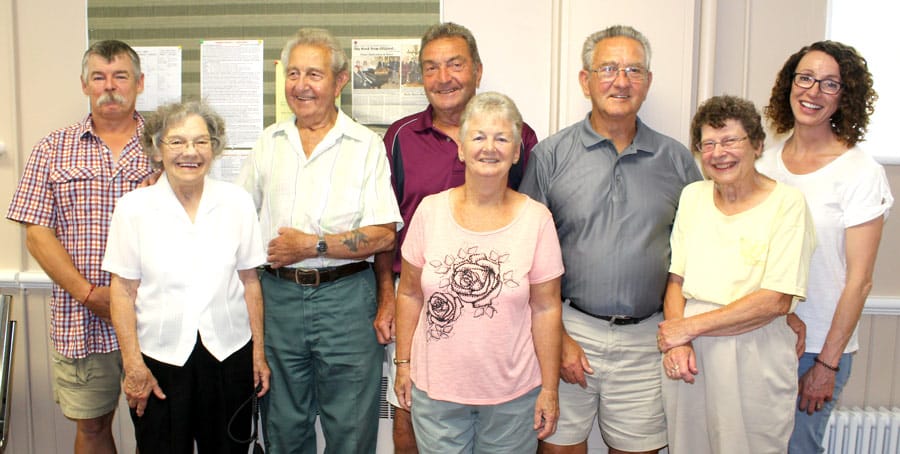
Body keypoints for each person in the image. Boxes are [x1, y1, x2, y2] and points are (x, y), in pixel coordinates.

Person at [519, 25, 702, 454]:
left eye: (634, 70)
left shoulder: (677, 160)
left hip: (648, 338)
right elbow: (525, 257)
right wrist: (558, 338)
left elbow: (699, 252)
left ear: (648, 82)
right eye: (608, 69)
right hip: (569, 329)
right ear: (585, 81)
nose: (621, 81)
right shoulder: (550, 156)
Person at [374, 21, 539, 453]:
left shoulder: (516, 136)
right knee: (408, 409)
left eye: (455, 64)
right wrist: (388, 296)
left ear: (478, 71)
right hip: (417, 293)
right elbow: (387, 226)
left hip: (497, 302)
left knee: (501, 411)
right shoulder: (400, 137)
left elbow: (531, 221)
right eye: (431, 67)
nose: (443, 77)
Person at [236, 28, 402, 453]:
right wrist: (172, 185)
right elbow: (233, 217)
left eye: (314, 74)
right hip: (278, 300)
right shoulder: (268, 143)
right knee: (283, 426)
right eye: (293, 74)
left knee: (351, 428)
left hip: (346, 301)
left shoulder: (366, 145)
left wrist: (313, 245)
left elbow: (384, 234)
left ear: (339, 80)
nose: (301, 85)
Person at [393, 91, 563, 453]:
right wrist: (403, 364)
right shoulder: (429, 212)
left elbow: (546, 308)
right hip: (436, 395)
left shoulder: (537, 219)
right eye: (479, 137)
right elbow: (408, 293)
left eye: (502, 138)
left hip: (513, 397)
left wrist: (550, 389)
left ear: (516, 153)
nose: (489, 148)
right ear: (461, 148)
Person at [6, 40, 153, 454]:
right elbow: (37, 234)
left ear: (140, 83)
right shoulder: (52, 148)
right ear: (85, 85)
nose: (110, 86)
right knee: (91, 426)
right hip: (82, 316)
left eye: (120, 76)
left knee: (160, 429)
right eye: (99, 77)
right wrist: (89, 295)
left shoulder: (165, 146)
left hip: (153, 314)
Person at [102, 100, 270, 453]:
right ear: (157, 150)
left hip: (229, 355)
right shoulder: (133, 208)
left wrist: (258, 353)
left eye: (201, 141)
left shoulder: (237, 203)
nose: (190, 152)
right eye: (177, 142)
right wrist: (133, 365)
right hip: (158, 361)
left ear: (214, 148)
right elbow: (122, 291)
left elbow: (250, 281)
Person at [657, 95, 816, 453]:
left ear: (757, 145)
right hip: (690, 356)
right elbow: (676, 280)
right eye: (708, 144)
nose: (719, 153)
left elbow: (776, 301)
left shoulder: (787, 204)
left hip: (756, 352)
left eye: (730, 140)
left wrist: (686, 329)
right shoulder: (693, 196)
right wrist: (679, 343)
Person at [758, 41, 893, 454]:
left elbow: (860, 281)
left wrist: (827, 363)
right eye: (805, 78)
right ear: (789, 84)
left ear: (845, 96)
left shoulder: (860, 171)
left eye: (830, 84)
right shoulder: (763, 164)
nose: (813, 92)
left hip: (817, 348)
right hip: (762, 337)